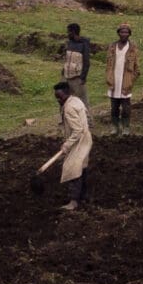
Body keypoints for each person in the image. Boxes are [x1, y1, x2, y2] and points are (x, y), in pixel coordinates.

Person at [52, 80, 93, 211]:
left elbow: (77, 130)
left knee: (72, 168)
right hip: (86, 138)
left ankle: (74, 202)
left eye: (59, 96)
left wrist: (66, 145)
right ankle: (84, 196)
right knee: (82, 167)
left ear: (66, 93)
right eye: (56, 97)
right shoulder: (76, 100)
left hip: (79, 140)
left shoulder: (69, 108)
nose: (58, 100)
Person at [105, 25, 139, 133]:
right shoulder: (112, 47)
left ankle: (126, 127)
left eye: (126, 32)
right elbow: (108, 64)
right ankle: (115, 126)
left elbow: (137, 68)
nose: (124, 34)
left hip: (126, 82)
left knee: (126, 107)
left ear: (129, 34)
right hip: (114, 81)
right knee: (114, 107)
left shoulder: (132, 48)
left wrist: (131, 80)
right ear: (118, 33)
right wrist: (108, 77)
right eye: (122, 32)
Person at [60, 23, 94, 103]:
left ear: (74, 32)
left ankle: (87, 115)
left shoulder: (84, 44)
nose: (67, 34)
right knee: (64, 99)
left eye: (69, 32)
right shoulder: (69, 43)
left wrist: (83, 77)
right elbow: (67, 59)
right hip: (66, 76)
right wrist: (63, 72)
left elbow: (86, 62)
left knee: (81, 101)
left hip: (77, 77)